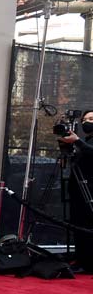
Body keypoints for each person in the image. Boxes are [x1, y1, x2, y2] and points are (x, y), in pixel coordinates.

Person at [57, 111, 93, 273]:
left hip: (90, 191)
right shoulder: (85, 142)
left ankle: (89, 262)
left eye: (91, 119)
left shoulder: (84, 143)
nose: (87, 122)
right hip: (77, 189)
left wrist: (77, 141)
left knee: (88, 224)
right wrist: (66, 148)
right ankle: (81, 259)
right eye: (84, 120)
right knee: (78, 225)